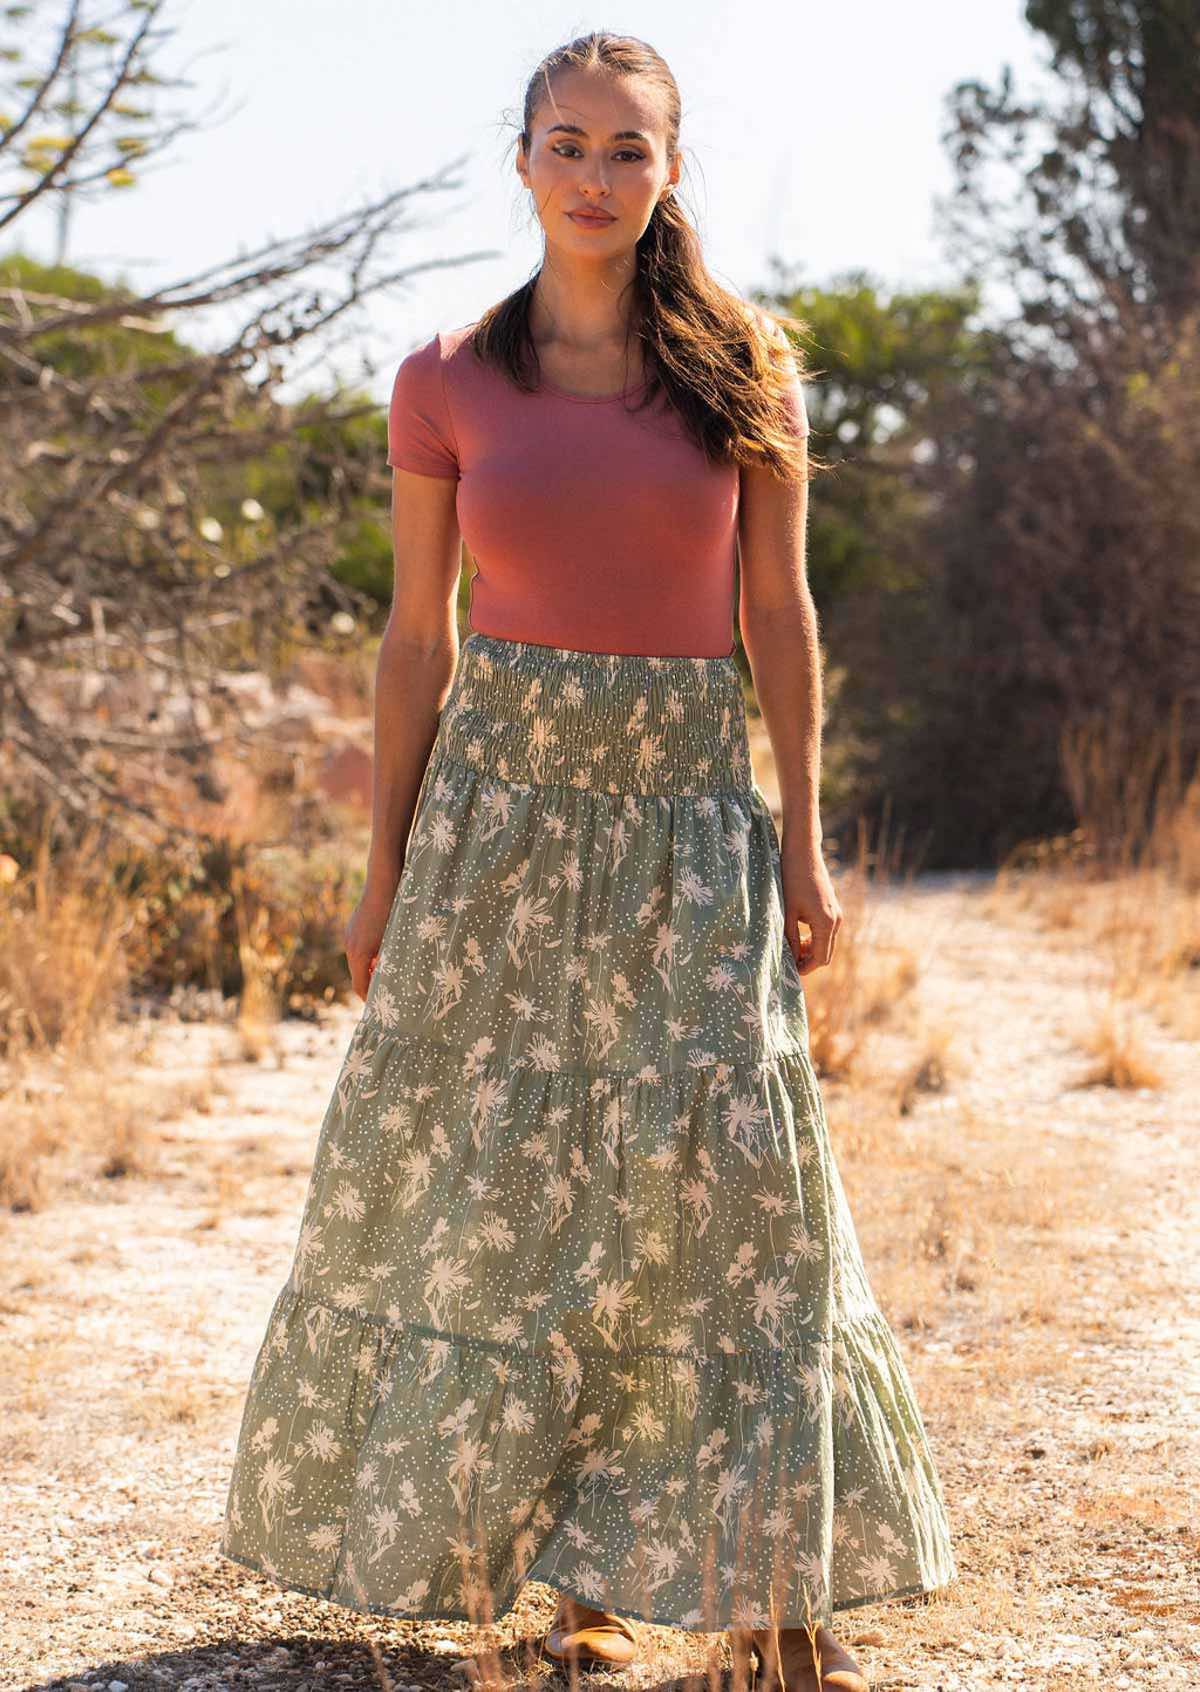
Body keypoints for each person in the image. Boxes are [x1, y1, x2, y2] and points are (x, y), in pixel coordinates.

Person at [218, 31, 957, 1692]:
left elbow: (780, 616)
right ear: (525, 159)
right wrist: (382, 863)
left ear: (669, 170)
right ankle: (578, 1586)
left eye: (631, 150)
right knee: (525, 1195)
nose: (598, 176)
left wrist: (805, 841)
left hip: (691, 812)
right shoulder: (444, 379)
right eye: (570, 143)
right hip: (498, 821)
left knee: (738, 1189)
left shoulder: (744, 368)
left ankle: (778, 1599)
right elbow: (418, 639)